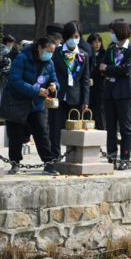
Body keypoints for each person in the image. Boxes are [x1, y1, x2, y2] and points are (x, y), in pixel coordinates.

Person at [1, 36, 59, 175]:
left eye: (52, 52)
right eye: (48, 51)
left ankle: (48, 163)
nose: (50, 55)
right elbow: (15, 80)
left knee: (42, 133)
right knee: (15, 134)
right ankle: (15, 163)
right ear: (39, 48)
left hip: (36, 103)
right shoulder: (22, 58)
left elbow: (55, 79)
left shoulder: (49, 63)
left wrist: (54, 85)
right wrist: (35, 90)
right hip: (17, 101)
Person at [100, 19, 131, 170]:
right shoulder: (110, 49)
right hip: (109, 93)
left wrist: (108, 68)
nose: (111, 35)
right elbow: (101, 67)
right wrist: (109, 69)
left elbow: (126, 69)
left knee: (126, 129)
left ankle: (125, 158)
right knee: (110, 128)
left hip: (124, 94)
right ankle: (111, 157)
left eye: (113, 32)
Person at [49, 22, 90, 159]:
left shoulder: (83, 55)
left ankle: (72, 156)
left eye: (77, 36)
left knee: (74, 129)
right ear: (65, 37)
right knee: (55, 128)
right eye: (72, 36)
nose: (75, 39)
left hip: (75, 97)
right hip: (58, 96)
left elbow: (85, 80)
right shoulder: (56, 52)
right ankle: (54, 157)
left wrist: (85, 100)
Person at [87, 33, 106, 130]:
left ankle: (103, 131)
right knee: (89, 111)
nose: (97, 44)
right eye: (95, 42)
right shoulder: (87, 54)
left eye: (99, 42)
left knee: (100, 110)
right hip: (89, 87)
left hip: (100, 86)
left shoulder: (104, 54)